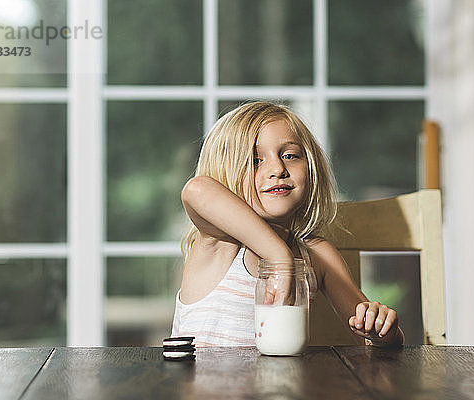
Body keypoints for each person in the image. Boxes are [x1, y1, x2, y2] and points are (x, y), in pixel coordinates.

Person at [171, 101, 404, 347]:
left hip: (283, 385)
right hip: (204, 385)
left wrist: (383, 330)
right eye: (255, 160)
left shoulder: (317, 255)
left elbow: (371, 332)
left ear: (311, 168)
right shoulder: (221, 243)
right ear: (225, 174)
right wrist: (280, 258)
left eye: (290, 155)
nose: (278, 169)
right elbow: (196, 190)